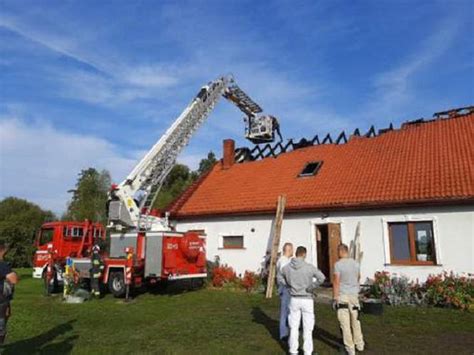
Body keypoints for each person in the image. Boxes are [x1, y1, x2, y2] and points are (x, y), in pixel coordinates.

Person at [279, 246, 326, 355]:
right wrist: (312, 286)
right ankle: (307, 351)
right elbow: (322, 278)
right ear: (304, 254)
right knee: (307, 327)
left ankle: (293, 350)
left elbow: (279, 277)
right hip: (307, 299)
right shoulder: (309, 267)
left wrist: (287, 285)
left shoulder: (287, 267)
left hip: (294, 299)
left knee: (293, 326)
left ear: (296, 254)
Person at [332, 244, 365, 355]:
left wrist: (335, 297)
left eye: (338, 251)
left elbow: (336, 281)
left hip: (343, 296)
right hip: (354, 296)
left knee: (345, 323)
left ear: (341, 251)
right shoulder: (356, 263)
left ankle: (350, 348)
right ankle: (360, 344)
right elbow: (358, 276)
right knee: (356, 321)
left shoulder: (338, 265)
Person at [0, 242, 19, 344]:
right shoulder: (2, 265)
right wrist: (15, 273)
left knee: (6, 314)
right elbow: (14, 279)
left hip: (4, 299)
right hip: (1, 299)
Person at [276, 242, 293, 341]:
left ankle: (288, 331)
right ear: (288, 250)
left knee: (288, 310)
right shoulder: (283, 261)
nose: (293, 251)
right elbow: (284, 274)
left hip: (287, 287)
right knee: (285, 312)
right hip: (285, 287)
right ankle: (284, 334)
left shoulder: (287, 260)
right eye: (292, 249)